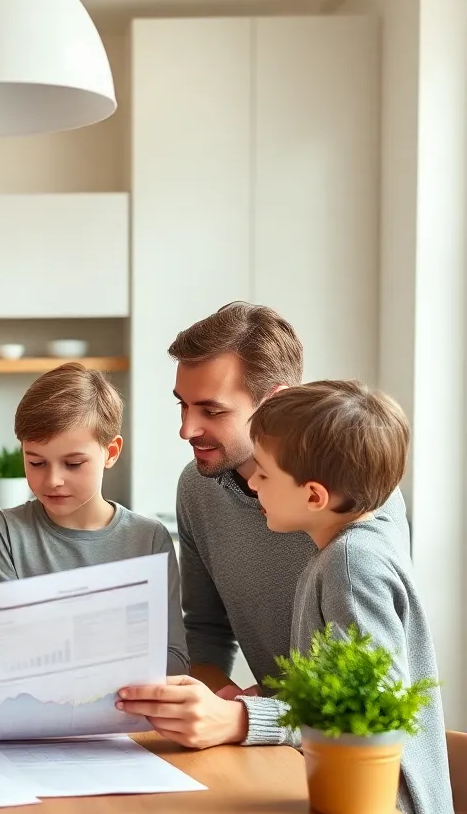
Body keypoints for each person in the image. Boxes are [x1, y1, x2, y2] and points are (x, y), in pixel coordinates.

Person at [114, 302, 407, 748]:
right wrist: (218, 701)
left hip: (365, 777)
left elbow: (371, 705)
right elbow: (207, 629)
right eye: (183, 405)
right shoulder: (199, 487)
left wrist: (244, 718)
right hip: (286, 752)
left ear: (276, 401)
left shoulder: (356, 505)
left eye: (212, 411)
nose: (186, 429)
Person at [242, 381, 455, 814]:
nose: (251, 484)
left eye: (264, 472)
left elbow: (367, 707)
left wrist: (252, 720)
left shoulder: (350, 563)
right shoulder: (352, 543)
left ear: (314, 495)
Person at [0, 362, 187, 675]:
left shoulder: (149, 539)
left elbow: (173, 662)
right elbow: (2, 650)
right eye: (36, 462)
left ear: (111, 452)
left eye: (73, 464)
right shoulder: (5, 532)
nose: (52, 481)